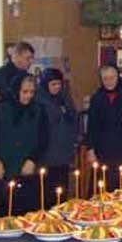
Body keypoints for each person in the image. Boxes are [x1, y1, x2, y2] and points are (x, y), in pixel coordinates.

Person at [0, 74, 48, 214]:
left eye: (32, 92)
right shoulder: (0, 109)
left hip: (28, 167)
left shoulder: (39, 110)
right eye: (25, 92)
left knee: (28, 209)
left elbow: (44, 139)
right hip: (5, 166)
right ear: (16, 90)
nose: (28, 96)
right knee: (6, 210)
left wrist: (32, 159)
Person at [86, 65, 122, 192]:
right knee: (101, 188)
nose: (109, 81)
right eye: (105, 78)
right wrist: (90, 149)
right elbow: (91, 125)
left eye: (112, 78)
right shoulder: (97, 98)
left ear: (118, 77)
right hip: (102, 151)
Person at [36, 68, 77, 205]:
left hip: (64, 153)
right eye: (53, 84)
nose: (57, 87)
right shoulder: (39, 100)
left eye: (59, 84)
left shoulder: (65, 97)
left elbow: (73, 118)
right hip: (46, 154)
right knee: (47, 193)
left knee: (62, 191)